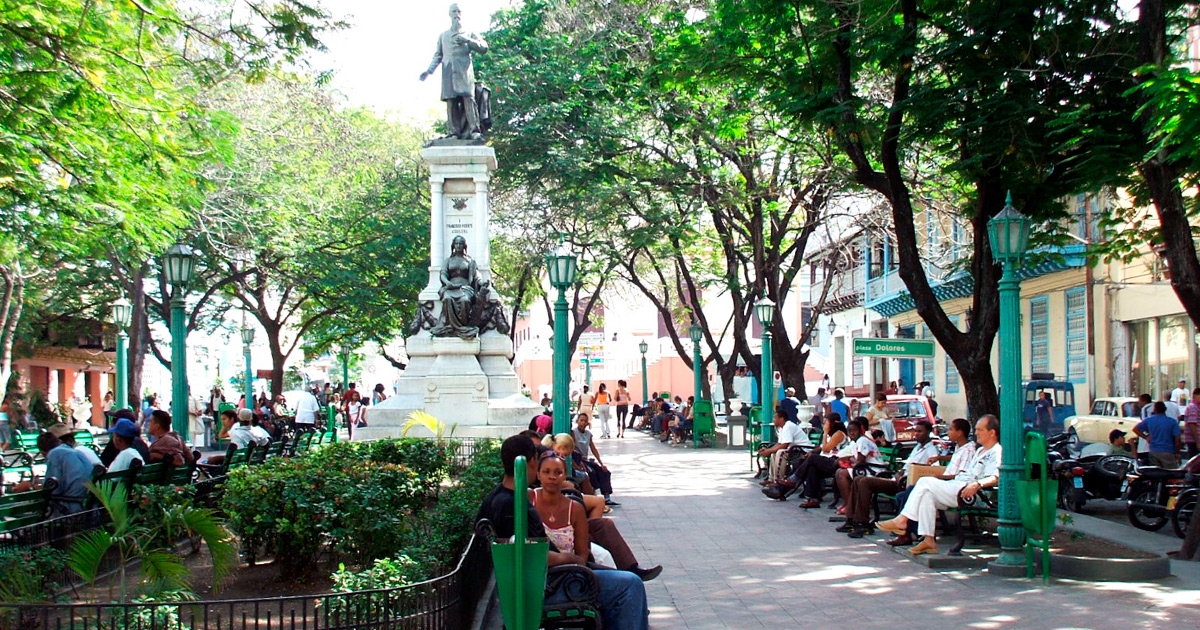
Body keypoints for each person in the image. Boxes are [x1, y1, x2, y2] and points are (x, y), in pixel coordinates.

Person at [475, 435, 650, 629]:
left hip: (538, 581)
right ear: (532, 462)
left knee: (620, 579)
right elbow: (532, 554)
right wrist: (571, 559)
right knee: (630, 585)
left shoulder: (494, 499)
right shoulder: (515, 506)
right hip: (548, 585)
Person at [877, 415, 1003, 555]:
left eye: (980, 429)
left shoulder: (996, 452)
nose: (976, 433)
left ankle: (902, 520)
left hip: (972, 493)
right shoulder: (980, 450)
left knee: (925, 481)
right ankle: (928, 540)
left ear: (992, 432)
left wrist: (977, 484)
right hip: (959, 485)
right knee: (927, 495)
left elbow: (995, 476)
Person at [883, 417, 976, 547]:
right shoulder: (959, 447)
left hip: (956, 487)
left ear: (960, 432)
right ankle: (912, 534)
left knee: (917, 488)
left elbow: (960, 475)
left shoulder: (969, 449)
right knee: (909, 493)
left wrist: (938, 478)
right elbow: (956, 457)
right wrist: (940, 457)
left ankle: (905, 529)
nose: (948, 432)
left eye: (950, 429)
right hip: (949, 484)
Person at [838, 420, 939, 538]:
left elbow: (932, 471)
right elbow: (906, 466)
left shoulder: (931, 450)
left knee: (864, 481)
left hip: (906, 483)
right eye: (915, 431)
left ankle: (863, 523)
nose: (916, 434)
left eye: (920, 431)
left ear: (928, 432)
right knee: (858, 479)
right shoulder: (917, 448)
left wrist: (905, 476)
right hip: (896, 478)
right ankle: (851, 519)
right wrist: (899, 472)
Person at [419, 3, 489, 141]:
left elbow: (484, 48)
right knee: (451, 102)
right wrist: (429, 71)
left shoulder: (470, 33)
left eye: (459, 11)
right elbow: (438, 55)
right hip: (448, 71)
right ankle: (454, 133)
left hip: (465, 72)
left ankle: (475, 131)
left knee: (469, 100)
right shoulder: (443, 36)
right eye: (454, 11)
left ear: (462, 14)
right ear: (449, 14)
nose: (457, 14)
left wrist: (467, 40)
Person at [11, 432, 93, 515]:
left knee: (18, 511)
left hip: (69, 509)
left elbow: (52, 491)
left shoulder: (55, 454)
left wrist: (29, 486)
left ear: (43, 452)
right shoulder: (75, 452)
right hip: (87, 506)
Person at [831, 417, 883, 514]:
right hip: (866, 468)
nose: (852, 433)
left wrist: (850, 463)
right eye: (849, 431)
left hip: (874, 470)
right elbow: (855, 458)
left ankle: (850, 506)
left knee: (842, 474)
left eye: (854, 430)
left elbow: (860, 461)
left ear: (860, 431)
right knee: (839, 472)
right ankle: (848, 503)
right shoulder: (856, 442)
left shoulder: (862, 440)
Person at [573, 414, 618, 507]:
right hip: (578, 459)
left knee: (604, 471)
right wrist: (580, 457)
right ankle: (594, 496)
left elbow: (593, 449)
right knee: (591, 472)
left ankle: (607, 497)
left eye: (585, 421)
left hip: (586, 460)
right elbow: (572, 448)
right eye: (581, 420)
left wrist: (601, 463)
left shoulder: (588, 434)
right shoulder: (573, 433)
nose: (583, 423)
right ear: (577, 421)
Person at [757, 408, 812, 485]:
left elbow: (785, 445)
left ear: (781, 419)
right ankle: (771, 479)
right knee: (774, 453)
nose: (773, 420)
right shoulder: (782, 428)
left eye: (775, 418)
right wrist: (768, 450)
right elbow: (779, 443)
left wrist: (769, 451)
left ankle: (778, 480)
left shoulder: (788, 426)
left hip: (802, 450)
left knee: (781, 452)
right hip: (794, 449)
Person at [1133, 401, 1182, 468]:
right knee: (1171, 474)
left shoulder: (1149, 420)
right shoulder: (1172, 422)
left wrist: (1146, 437)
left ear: (1155, 410)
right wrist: (1177, 453)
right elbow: (1177, 440)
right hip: (1168, 451)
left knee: (1155, 474)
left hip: (1153, 451)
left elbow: (1135, 429)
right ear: (1165, 409)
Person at [1185, 388, 1200, 459]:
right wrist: (1197, 442)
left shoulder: (1197, 407)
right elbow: (1192, 424)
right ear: (1195, 395)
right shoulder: (1193, 407)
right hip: (1193, 441)